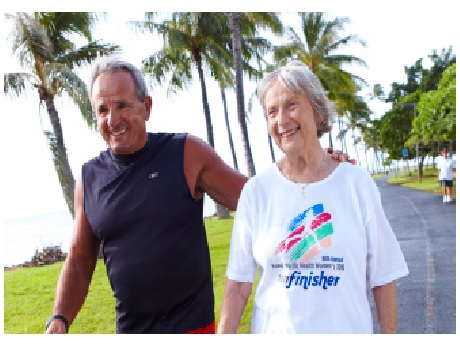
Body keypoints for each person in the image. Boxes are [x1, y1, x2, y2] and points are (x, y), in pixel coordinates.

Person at [45, 57, 352, 334]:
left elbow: (261, 199)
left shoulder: (185, 153)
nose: (113, 119)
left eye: (122, 105)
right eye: (102, 110)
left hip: (193, 329)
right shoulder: (90, 178)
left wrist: (318, 169)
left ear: (146, 107)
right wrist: (59, 319)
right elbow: (81, 259)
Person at [217, 60, 409, 334]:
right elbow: (237, 287)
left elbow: (383, 277)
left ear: (317, 109)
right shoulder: (256, 192)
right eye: (272, 112)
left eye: (291, 105)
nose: (282, 120)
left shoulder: (356, 183)